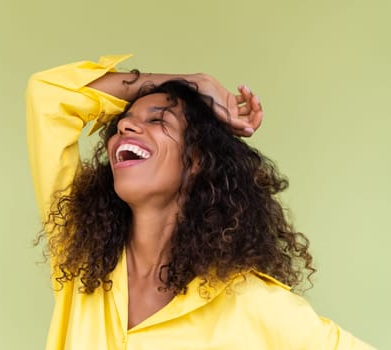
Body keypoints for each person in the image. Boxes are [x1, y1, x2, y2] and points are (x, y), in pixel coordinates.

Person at [26, 55, 374, 349]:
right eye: (122, 124)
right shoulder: (80, 256)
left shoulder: (249, 301)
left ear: (197, 161)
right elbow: (48, 96)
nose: (126, 128)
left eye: (158, 120)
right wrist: (193, 82)